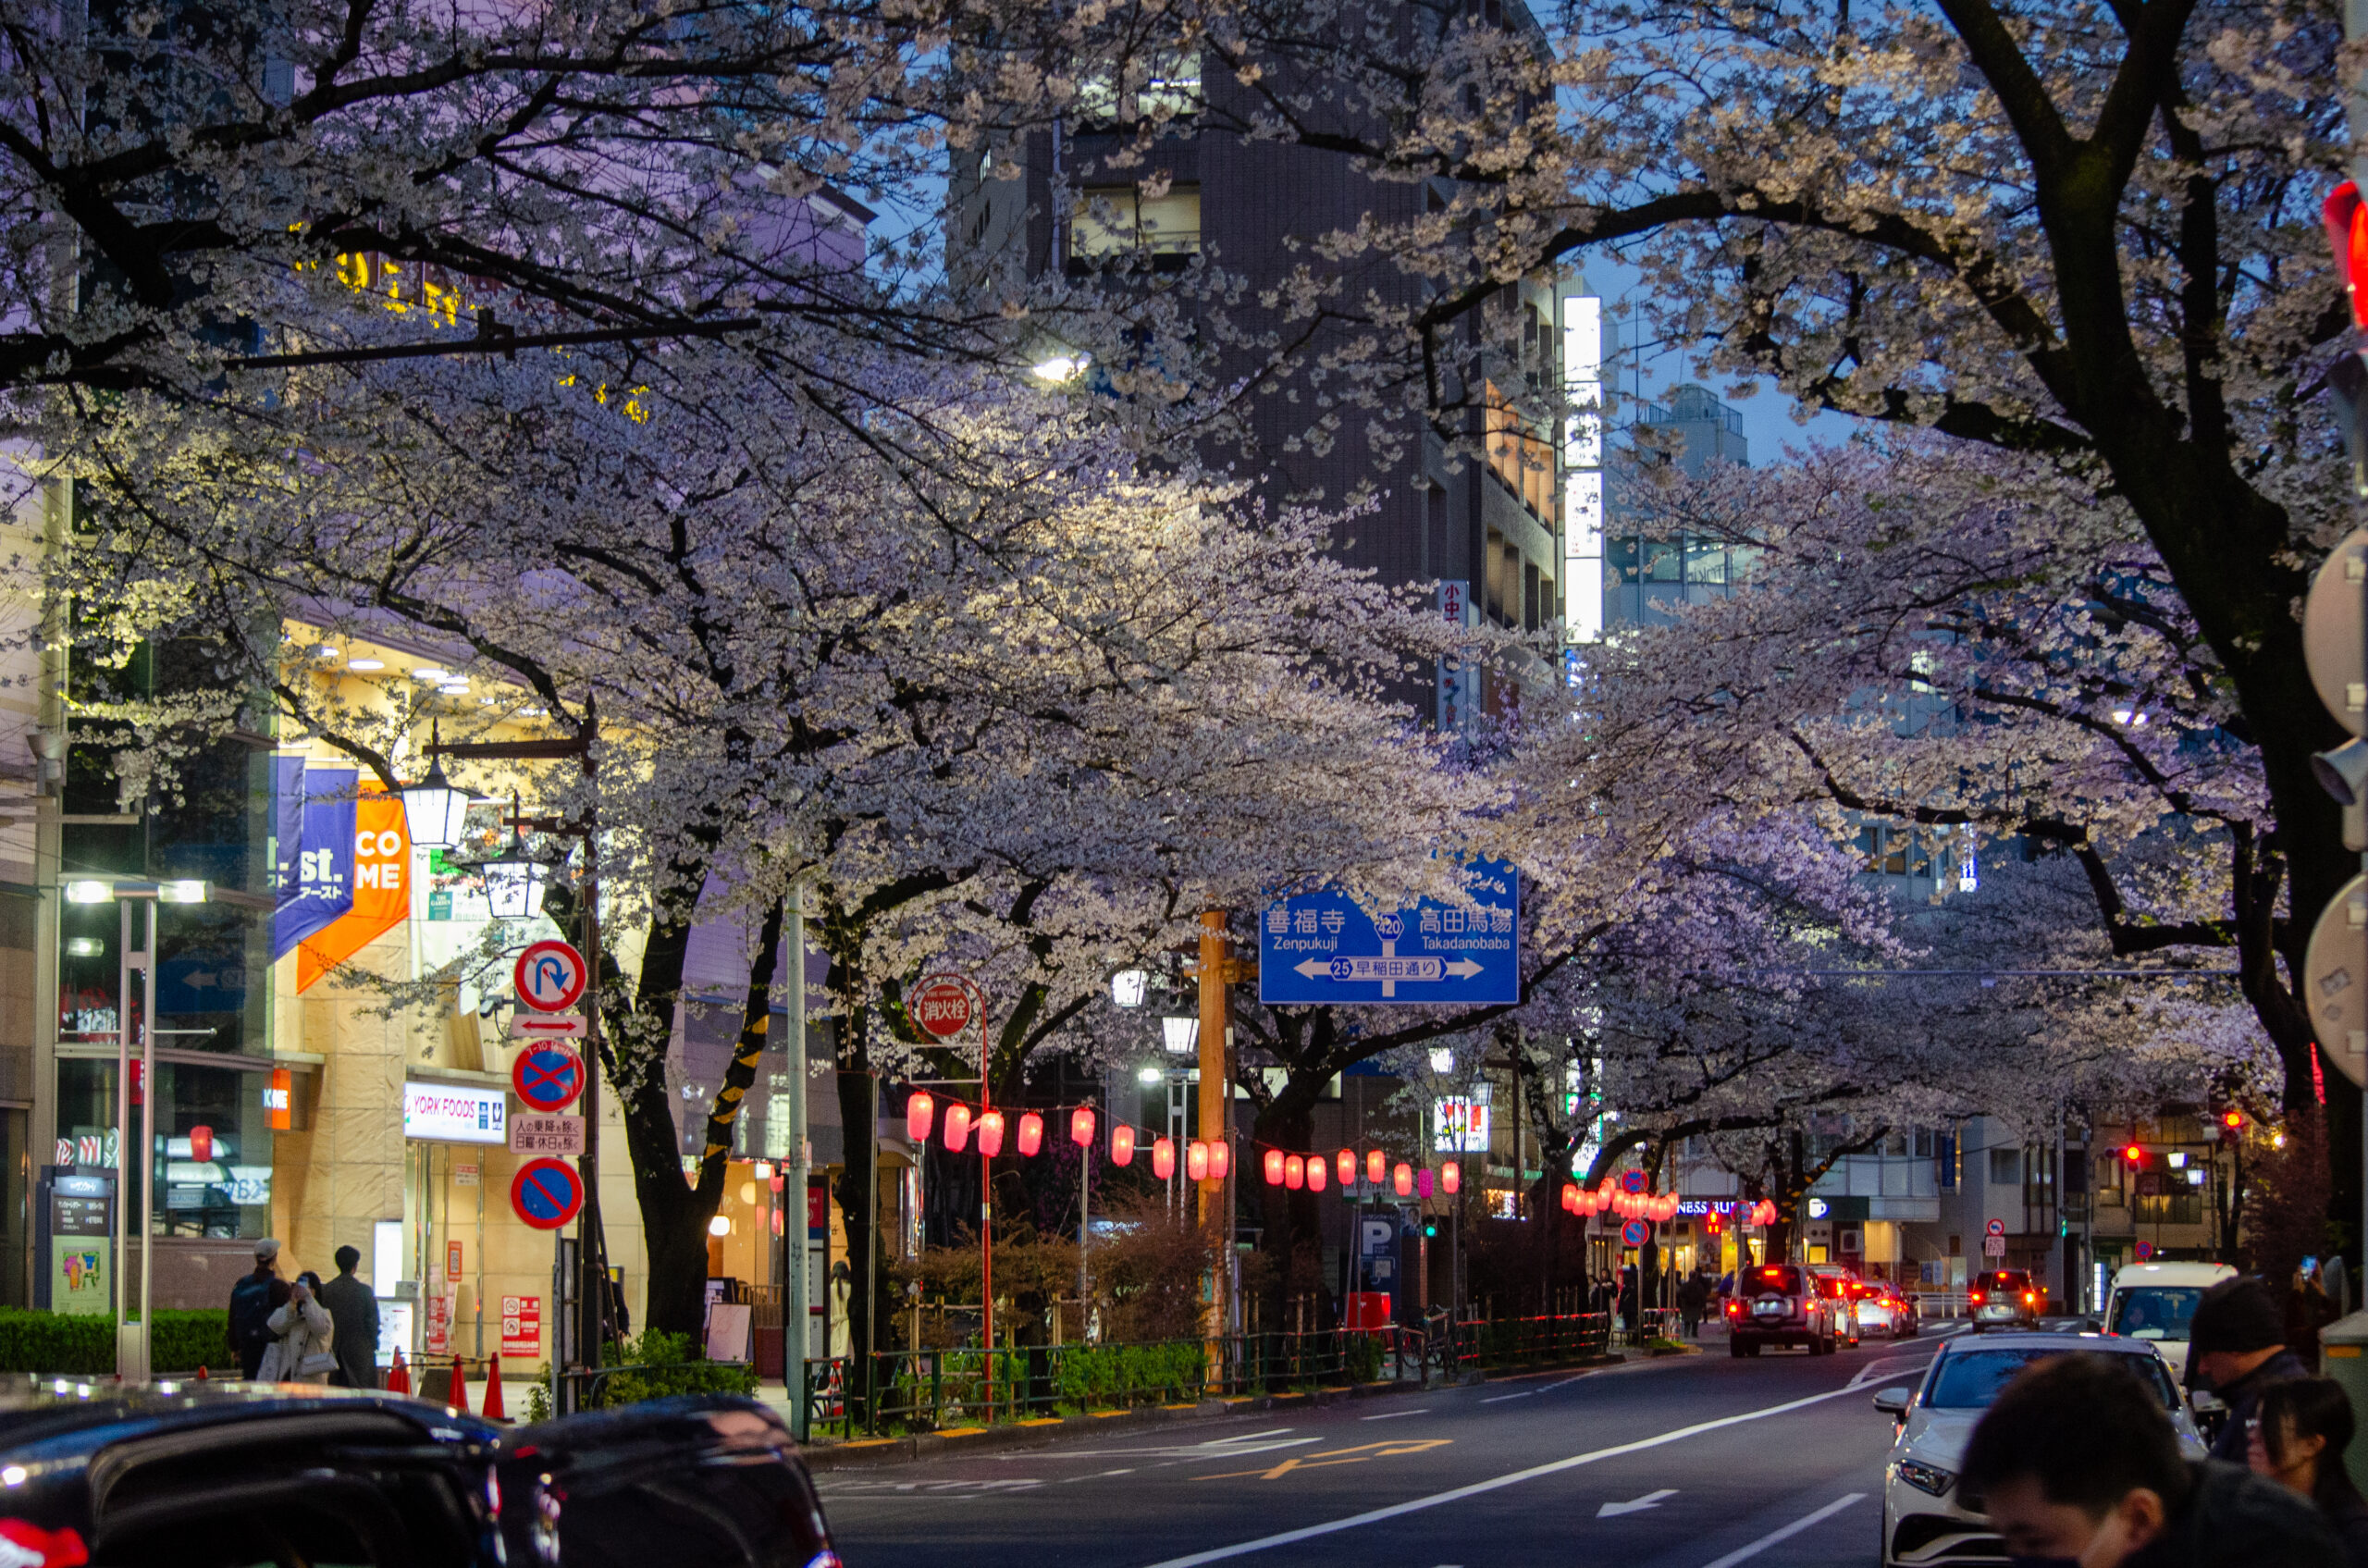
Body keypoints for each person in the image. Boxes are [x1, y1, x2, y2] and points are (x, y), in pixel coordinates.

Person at [1961, 1351, 2341, 1567]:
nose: (2023, 1561)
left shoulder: (2283, 1549)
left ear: (2140, 1519)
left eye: (2037, 1545)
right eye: (2012, 1546)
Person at [2249, 1377, 2368, 1565]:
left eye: (2267, 1428)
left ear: (2311, 1445)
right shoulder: (2268, 1512)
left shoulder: (2352, 1536)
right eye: (2253, 1424)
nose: (2252, 1436)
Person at [2190, 1275, 2312, 1460]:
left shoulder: (2268, 1411)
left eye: (2206, 1354)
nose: (2202, 1368)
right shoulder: (2279, 1395)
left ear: (2235, 1345)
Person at [228, 1237, 291, 1380]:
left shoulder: (242, 1283)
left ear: (256, 1258)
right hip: (271, 1348)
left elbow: (233, 1317)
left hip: (247, 1346)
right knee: (271, 1388)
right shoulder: (280, 1287)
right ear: (274, 1258)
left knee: (250, 1384)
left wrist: (235, 1347)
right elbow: (288, 1319)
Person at [318, 1244, 380, 1389]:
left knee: (334, 1396)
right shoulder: (364, 1291)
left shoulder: (326, 1291)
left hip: (332, 1353)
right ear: (355, 1266)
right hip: (360, 1354)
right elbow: (372, 1323)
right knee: (362, 1397)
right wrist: (373, 1344)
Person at [260, 1270, 337, 1385]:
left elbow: (321, 1329)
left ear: (314, 1291)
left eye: (306, 1288)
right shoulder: (292, 1313)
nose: (301, 1291)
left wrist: (308, 1299)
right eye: (298, 1287)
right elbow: (274, 1325)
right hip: (289, 1377)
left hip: (313, 1379)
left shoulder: (324, 1313)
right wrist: (291, 1305)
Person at [1677, 1269, 1708, 1340]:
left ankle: (1687, 1333)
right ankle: (1694, 1333)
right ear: (1695, 1276)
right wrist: (1703, 1305)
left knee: (1687, 1320)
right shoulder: (1699, 1286)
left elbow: (1681, 1295)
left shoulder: (1685, 1285)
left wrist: (1681, 1304)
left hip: (1687, 1306)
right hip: (1696, 1306)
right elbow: (1702, 1296)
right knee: (1695, 1321)